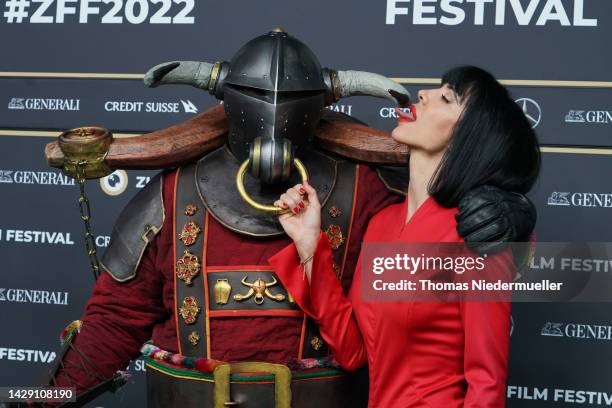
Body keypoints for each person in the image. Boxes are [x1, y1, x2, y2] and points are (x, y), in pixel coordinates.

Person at [40, 28, 538, 407]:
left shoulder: (369, 195)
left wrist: (513, 214)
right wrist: (44, 399)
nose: (273, 114)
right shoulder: (172, 194)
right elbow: (114, 320)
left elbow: (483, 280)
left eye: (447, 96)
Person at [269, 66, 541, 407]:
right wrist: (309, 241)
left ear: (469, 136)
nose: (423, 95)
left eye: (445, 97)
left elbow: (487, 384)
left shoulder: (477, 235)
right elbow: (352, 352)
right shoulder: (382, 222)